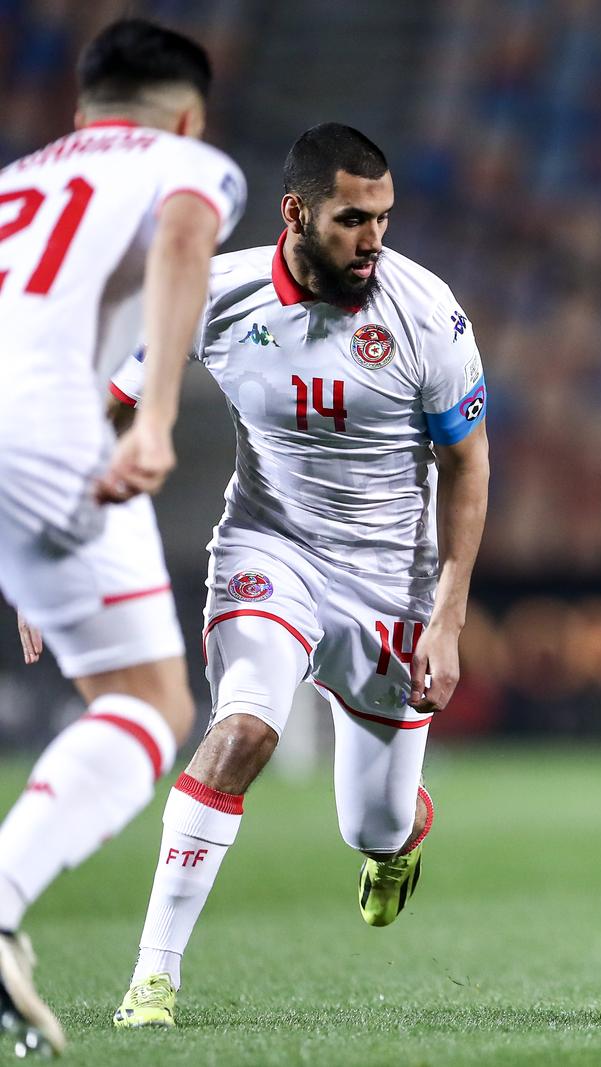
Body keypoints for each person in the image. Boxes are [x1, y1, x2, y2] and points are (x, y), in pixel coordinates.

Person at [101, 123, 491, 1029]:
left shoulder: (427, 313)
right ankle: (152, 975)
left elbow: (467, 465)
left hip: (392, 579)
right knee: (244, 727)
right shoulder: (213, 294)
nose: (373, 240)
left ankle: (398, 842)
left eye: (385, 219)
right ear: (297, 213)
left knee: (373, 823)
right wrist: (58, 542)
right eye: (354, 219)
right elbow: (113, 407)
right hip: (270, 547)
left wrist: (448, 617)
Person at [0, 19, 245, 1054]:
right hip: (46, 432)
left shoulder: (18, 178)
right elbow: (187, 234)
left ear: (79, 112)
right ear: (187, 113)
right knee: (148, 702)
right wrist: (150, 420)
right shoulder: (189, 163)